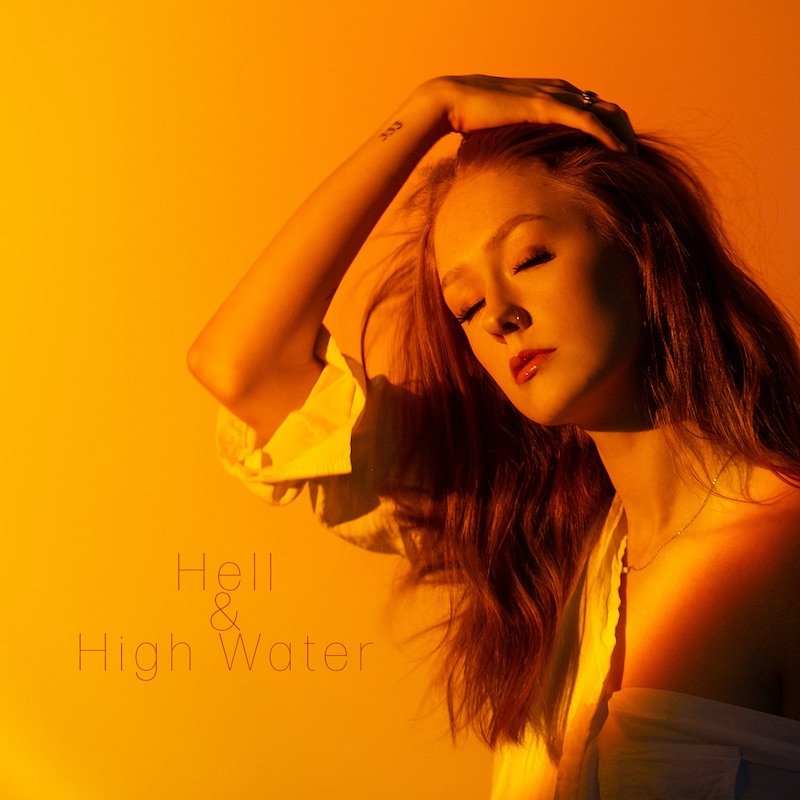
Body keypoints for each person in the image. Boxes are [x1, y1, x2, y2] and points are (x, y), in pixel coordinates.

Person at [188, 76, 800, 798]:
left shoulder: (781, 547)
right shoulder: (543, 543)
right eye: (466, 305)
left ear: (641, 247)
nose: (500, 315)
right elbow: (240, 367)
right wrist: (428, 109)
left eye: (530, 259)